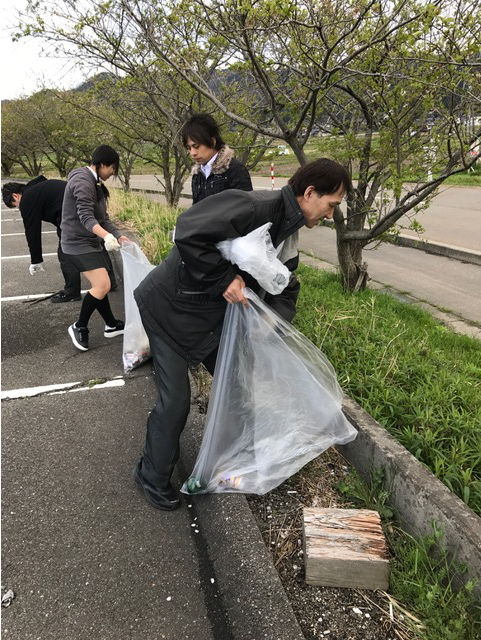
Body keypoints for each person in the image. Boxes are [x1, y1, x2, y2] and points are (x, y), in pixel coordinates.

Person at [133, 158, 351, 510]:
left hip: (208, 320)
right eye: (332, 205)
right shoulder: (253, 207)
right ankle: (150, 474)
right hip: (168, 307)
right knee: (175, 402)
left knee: (237, 387)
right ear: (310, 193)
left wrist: (272, 321)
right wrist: (224, 279)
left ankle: (226, 463)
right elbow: (188, 229)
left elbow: (285, 285)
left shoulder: (289, 232)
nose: (330, 215)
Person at [2, 177, 118, 302]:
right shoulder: (37, 187)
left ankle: (72, 292)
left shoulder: (27, 198)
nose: (19, 208)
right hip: (86, 205)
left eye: (15, 205)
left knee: (66, 251)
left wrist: (36, 260)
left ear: (16, 196)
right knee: (95, 241)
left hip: (72, 215)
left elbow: (32, 230)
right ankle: (110, 282)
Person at [61, 145, 130, 351]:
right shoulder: (83, 181)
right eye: (113, 168)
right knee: (102, 285)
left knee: (102, 285)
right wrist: (106, 236)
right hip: (77, 243)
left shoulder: (95, 182)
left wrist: (118, 235)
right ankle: (79, 326)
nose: (112, 173)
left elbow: (102, 218)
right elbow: (86, 218)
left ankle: (111, 325)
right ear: (103, 164)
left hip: (89, 242)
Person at [182, 113, 253, 203]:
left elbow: (246, 208)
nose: (193, 153)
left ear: (212, 142)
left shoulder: (235, 170)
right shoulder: (197, 174)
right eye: (189, 148)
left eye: (196, 146)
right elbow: (196, 209)